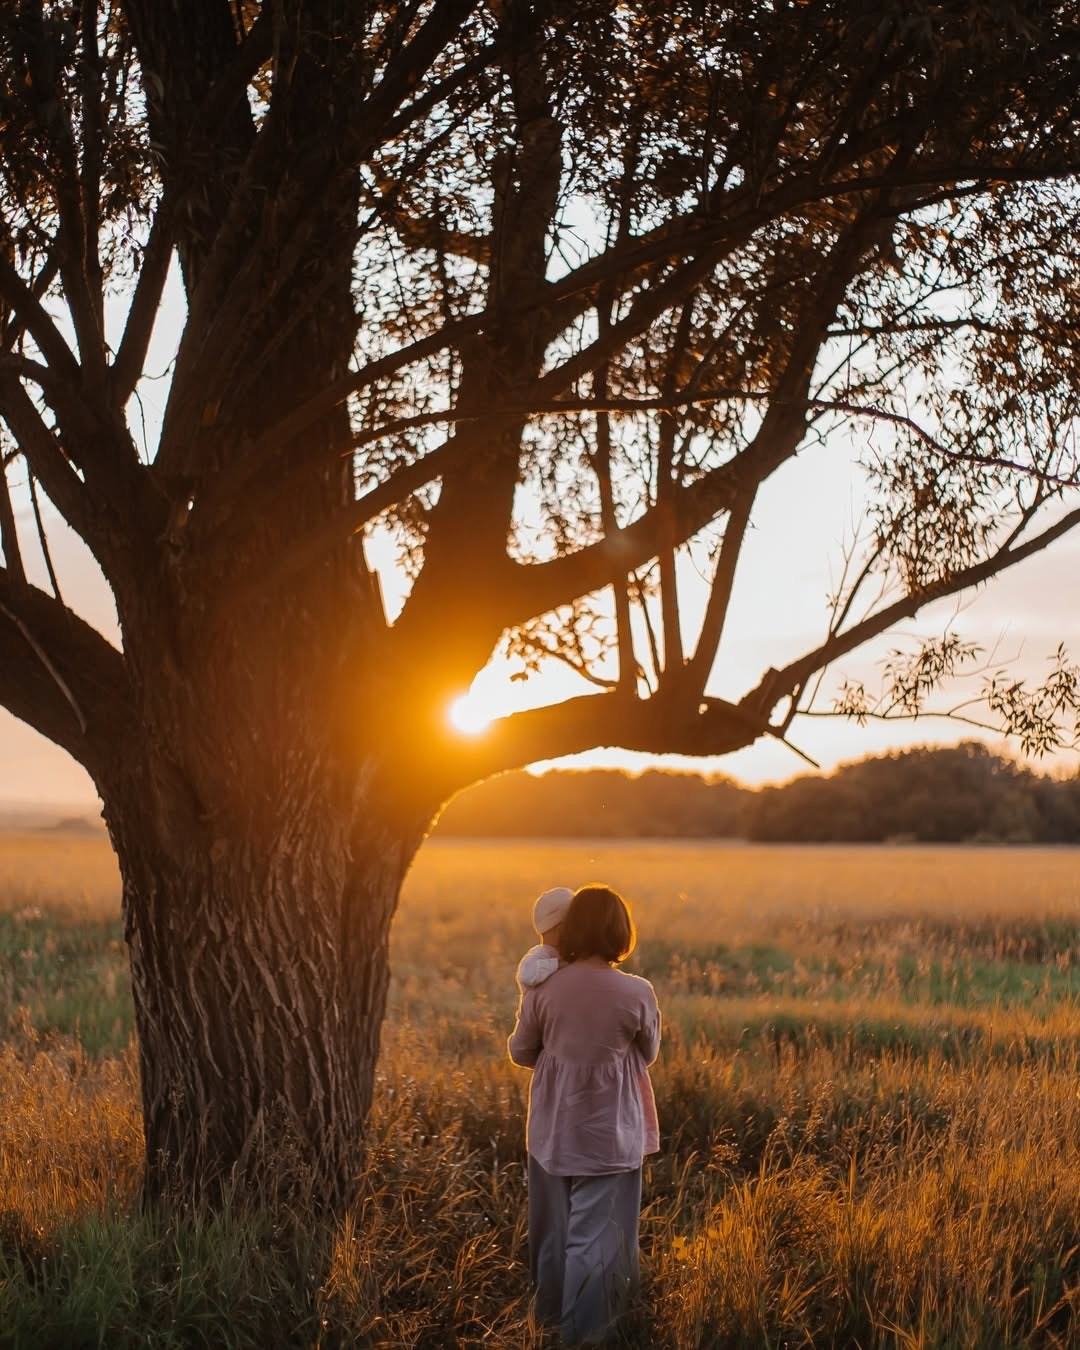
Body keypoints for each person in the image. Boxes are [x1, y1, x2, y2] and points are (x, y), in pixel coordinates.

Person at [508, 884, 661, 1345]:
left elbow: (520, 1051)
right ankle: (586, 1335)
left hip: (553, 1127)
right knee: (597, 1238)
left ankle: (547, 1320)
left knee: (552, 1232)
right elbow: (649, 1052)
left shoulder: (543, 988)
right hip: (609, 1131)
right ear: (621, 932)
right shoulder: (637, 991)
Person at [516, 886, 573, 992]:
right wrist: (558, 964)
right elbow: (527, 975)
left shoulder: (560, 953)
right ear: (560, 929)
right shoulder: (539, 954)